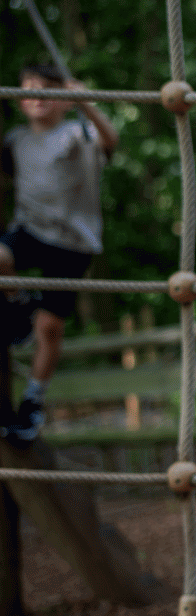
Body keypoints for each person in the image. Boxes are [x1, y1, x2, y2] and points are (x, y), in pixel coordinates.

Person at [0, 65, 119, 445]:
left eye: (48, 90)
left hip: (71, 240)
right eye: (29, 89)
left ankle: (34, 398)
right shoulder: (15, 140)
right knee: (1, 256)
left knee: (50, 327)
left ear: (64, 100)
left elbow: (110, 141)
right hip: (30, 229)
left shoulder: (76, 133)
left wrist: (87, 105)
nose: (37, 97)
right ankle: (17, 304)